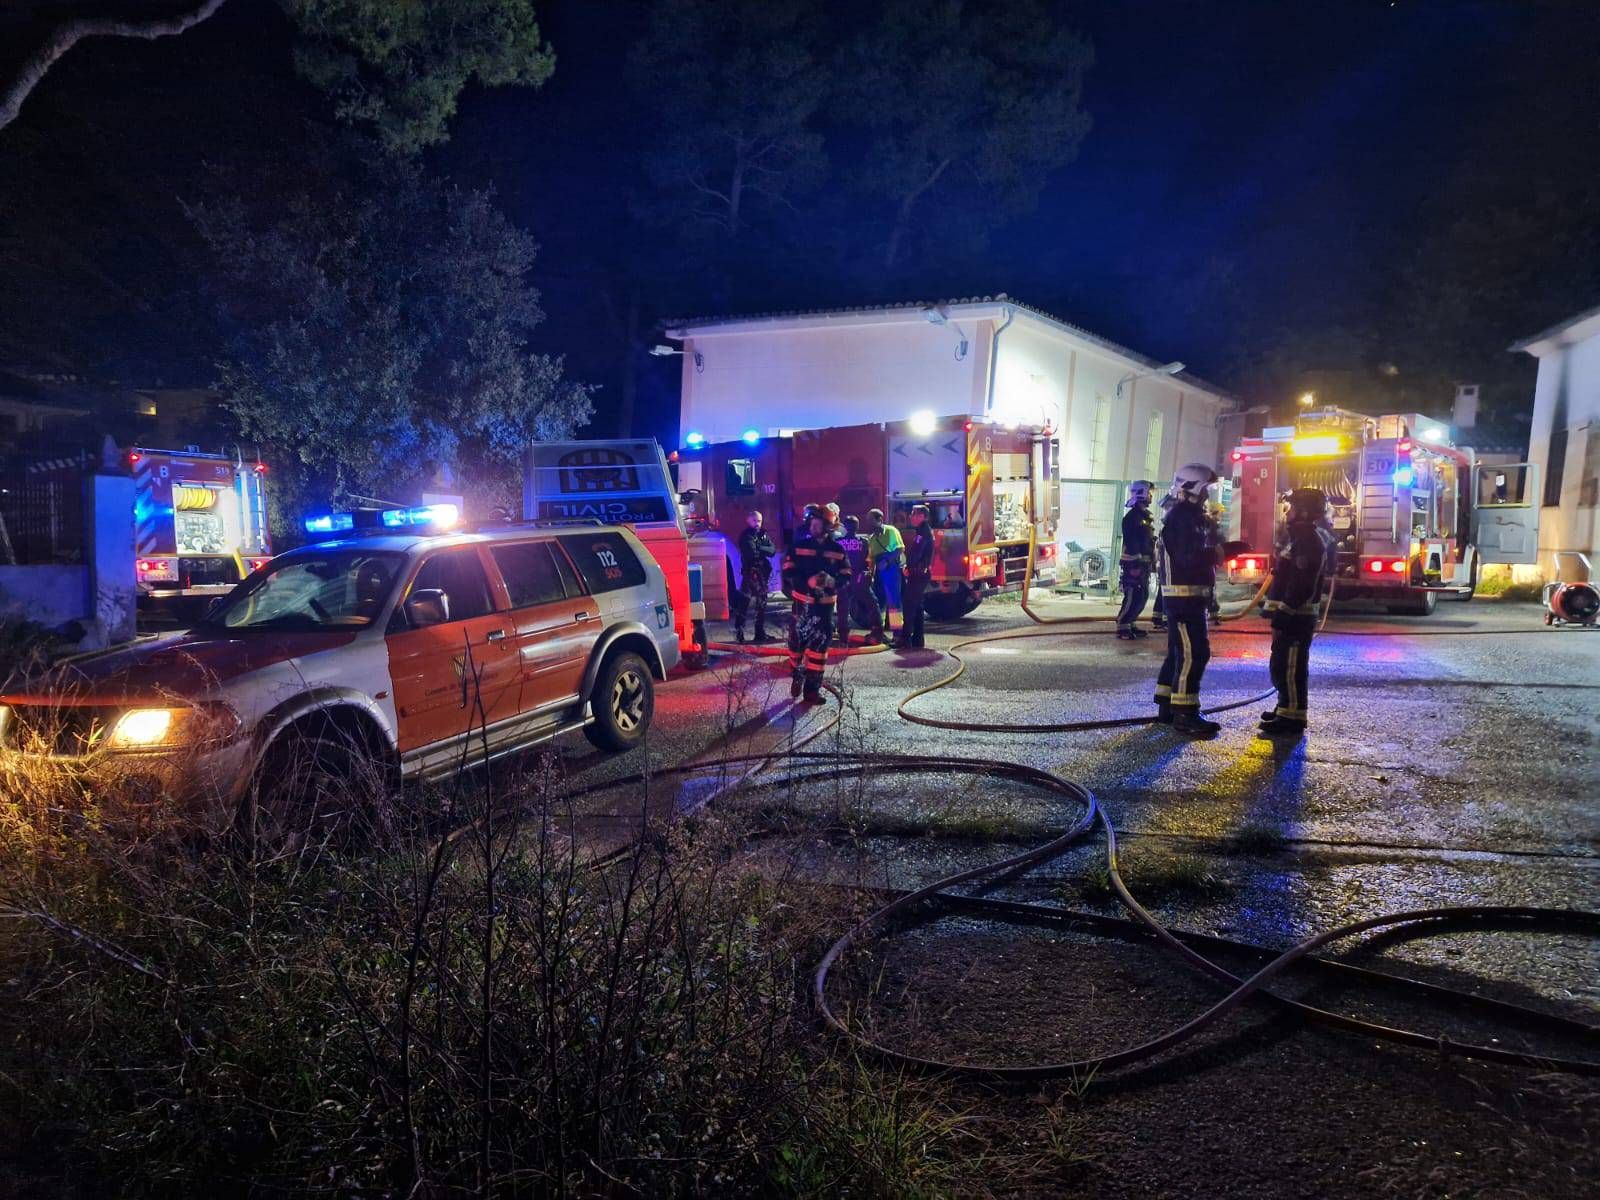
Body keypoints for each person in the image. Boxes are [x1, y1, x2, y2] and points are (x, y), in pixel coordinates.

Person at [1259, 488, 1336, 738]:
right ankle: (1285, 708)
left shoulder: (1308, 541)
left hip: (1296, 617)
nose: (1287, 512)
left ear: (1303, 511)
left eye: (1291, 508)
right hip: (1291, 616)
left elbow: (1303, 583)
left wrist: (1284, 610)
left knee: (1291, 667)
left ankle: (1292, 719)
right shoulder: (1298, 537)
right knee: (1281, 664)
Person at [1154, 464, 1224, 737]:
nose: (1208, 495)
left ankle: (1167, 706)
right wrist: (1220, 552)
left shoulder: (1185, 516)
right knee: (1194, 655)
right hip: (1184, 600)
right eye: (1206, 489)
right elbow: (1189, 557)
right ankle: (1185, 714)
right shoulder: (1183, 518)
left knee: (1177, 653)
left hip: (1186, 599)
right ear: (1192, 488)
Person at [782, 504, 847, 702]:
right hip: (802, 606)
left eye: (817, 523)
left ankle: (812, 691)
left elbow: (847, 575)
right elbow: (788, 571)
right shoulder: (798, 546)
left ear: (828, 526)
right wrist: (806, 583)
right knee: (796, 646)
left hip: (825, 608)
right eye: (812, 522)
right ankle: (796, 674)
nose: (813, 526)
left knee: (819, 651)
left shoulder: (837, 550)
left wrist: (832, 582)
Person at [1116, 480, 1156, 640]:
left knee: (1142, 595)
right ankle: (1122, 626)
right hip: (1134, 563)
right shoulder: (1132, 517)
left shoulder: (1143, 516)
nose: (1151, 496)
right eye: (1149, 493)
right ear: (1142, 493)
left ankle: (1131, 623)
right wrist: (1135, 563)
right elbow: (1132, 542)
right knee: (1133, 594)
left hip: (1143, 563)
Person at [733, 510, 777, 644]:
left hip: (762, 574)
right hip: (751, 573)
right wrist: (762, 549)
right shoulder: (746, 536)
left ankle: (759, 632)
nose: (757, 523)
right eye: (754, 521)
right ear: (748, 521)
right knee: (744, 602)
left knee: (761, 604)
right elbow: (752, 553)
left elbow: (773, 550)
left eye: (759, 521)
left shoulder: (763, 534)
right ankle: (739, 632)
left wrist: (760, 547)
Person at [834, 514, 880, 645]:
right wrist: (869, 574)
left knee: (843, 607)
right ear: (857, 527)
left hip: (844, 579)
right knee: (872, 603)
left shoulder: (838, 542)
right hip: (859, 578)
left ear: (845, 527)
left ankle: (843, 638)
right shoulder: (863, 542)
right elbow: (868, 561)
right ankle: (877, 631)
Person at [864, 508, 905, 640]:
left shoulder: (891, 531)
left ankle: (897, 635)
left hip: (891, 569)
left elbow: (900, 548)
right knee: (878, 602)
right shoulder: (872, 538)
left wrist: (887, 560)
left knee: (893, 603)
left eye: (871, 520)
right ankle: (878, 631)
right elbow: (872, 558)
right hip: (879, 572)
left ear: (880, 520)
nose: (868, 523)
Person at [899, 504, 935, 650]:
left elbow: (917, 553)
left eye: (915, 514)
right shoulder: (923, 531)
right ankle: (918, 640)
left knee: (909, 605)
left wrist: (909, 568)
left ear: (923, 516)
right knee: (918, 606)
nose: (911, 516)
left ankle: (905, 639)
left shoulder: (923, 533)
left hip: (918, 573)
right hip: (921, 573)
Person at [1151, 494, 1176, 631]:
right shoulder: (1170, 527)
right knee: (1169, 591)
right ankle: (1166, 619)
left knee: (1163, 590)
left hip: (1163, 564)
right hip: (1168, 566)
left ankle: (1158, 617)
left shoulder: (1167, 526)